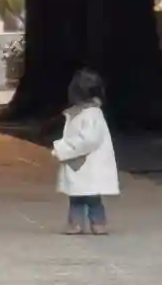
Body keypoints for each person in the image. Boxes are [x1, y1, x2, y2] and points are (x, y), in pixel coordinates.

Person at [51, 67, 120, 235]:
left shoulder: (91, 114)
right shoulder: (82, 113)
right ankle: (86, 223)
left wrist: (63, 148)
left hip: (87, 163)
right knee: (79, 196)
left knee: (88, 196)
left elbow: (88, 140)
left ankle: (92, 223)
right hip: (80, 163)